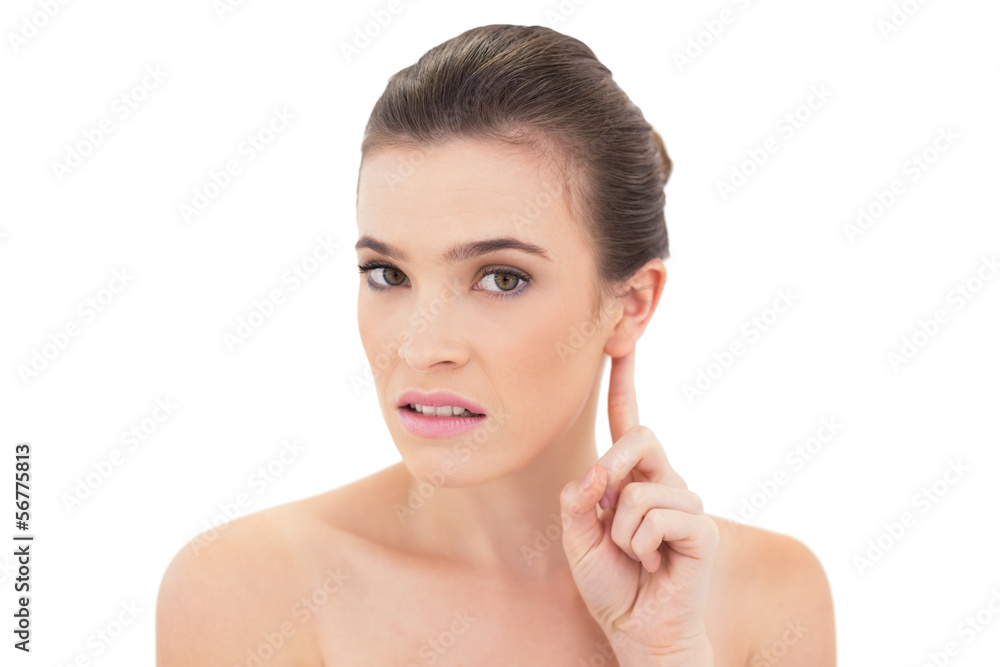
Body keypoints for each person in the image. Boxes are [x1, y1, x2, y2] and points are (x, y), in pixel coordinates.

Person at [156, 24, 835, 666]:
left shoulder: (769, 595)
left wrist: (664, 654)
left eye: (501, 278)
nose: (421, 348)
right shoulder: (244, 588)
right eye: (387, 274)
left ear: (629, 304)